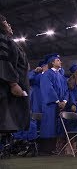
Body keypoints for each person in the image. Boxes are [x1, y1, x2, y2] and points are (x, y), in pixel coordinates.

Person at [0, 14, 30, 151]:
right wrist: (13, 83)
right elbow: (3, 62)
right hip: (5, 88)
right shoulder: (2, 39)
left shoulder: (8, 40)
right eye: (6, 22)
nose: (9, 25)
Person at [39, 53, 68, 154]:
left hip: (59, 105)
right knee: (49, 126)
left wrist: (64, 101)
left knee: (56, 126)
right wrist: (57, 101)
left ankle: (53, 148)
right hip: (50, 104)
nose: (60, 62)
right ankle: (45, 149)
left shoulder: (61, 75)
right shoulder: (47, 74)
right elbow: (48, 89)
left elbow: (66, 90)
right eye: (58, 60)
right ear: (52, 62)